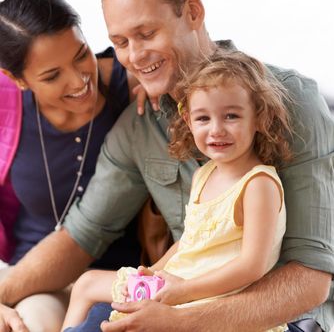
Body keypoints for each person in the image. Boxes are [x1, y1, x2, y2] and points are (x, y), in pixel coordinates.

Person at [0, 0, 334, 332]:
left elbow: (310, 279)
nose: (134, 56)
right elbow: (82, 235)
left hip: (278, 321)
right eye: (121, 43)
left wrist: (181, 320)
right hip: (175, 307)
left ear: (193, 12)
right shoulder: (138, 128)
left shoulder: (290, 101)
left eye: (146, 34)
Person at [61, 50, 294, 332]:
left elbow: (252, 266)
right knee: (87, 284)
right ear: (187, 121)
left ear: (258, 117)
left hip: (213, 299)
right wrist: (155, 270)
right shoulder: (202, 174)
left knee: (112, 319)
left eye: (231, 116)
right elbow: (189, 241)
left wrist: (184, 290)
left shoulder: (258, 185)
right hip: (180, 282)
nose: (216, 130)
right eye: (203, 119)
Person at [0, 0, 154, 332]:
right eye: (52, 76)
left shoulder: (131, 87)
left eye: (81, 55)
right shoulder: (4, 104)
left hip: (119, 279)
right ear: (17, 79)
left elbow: (217, 64)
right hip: (32, 279)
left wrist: (163, 82)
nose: (79, 80)